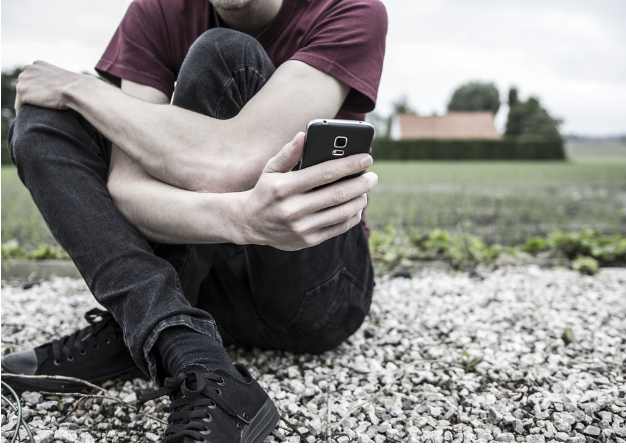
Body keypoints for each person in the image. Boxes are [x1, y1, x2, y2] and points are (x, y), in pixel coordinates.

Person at [1, 0, 387, 442]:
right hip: (198, 288)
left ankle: (144, 314)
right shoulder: (157, 11)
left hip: (309, 292)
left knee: (223, 54)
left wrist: (78, 88)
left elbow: (224, 163)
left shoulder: (350, 10)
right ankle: (172, 338)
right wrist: (242, 218)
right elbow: (128, 191)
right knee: (41, 123)